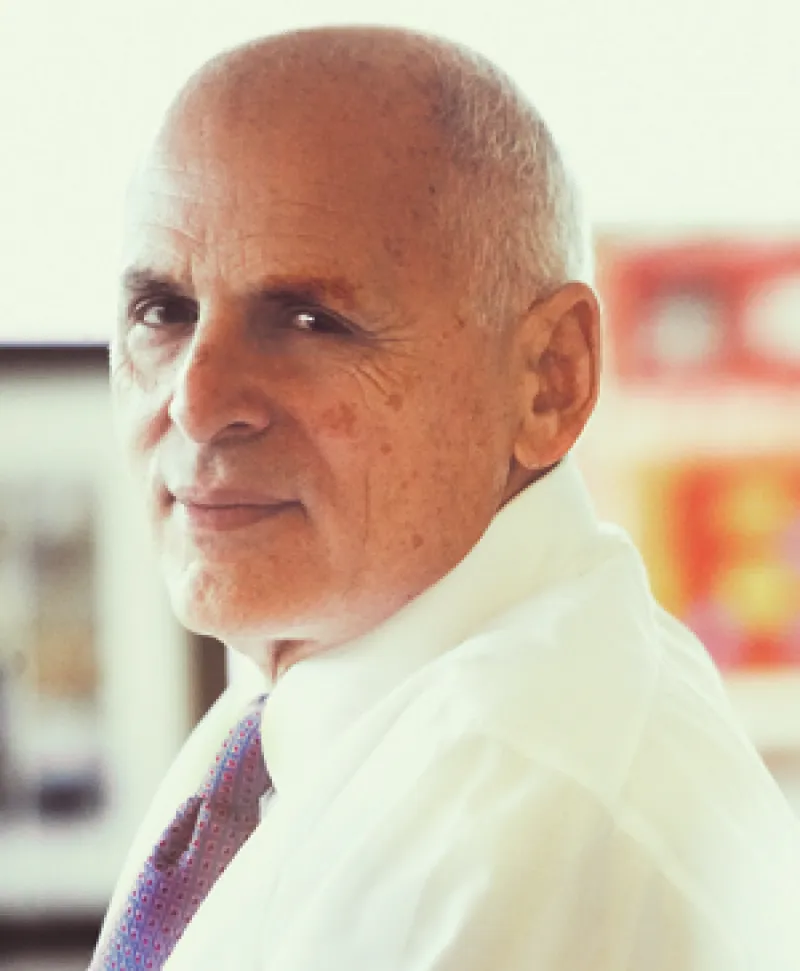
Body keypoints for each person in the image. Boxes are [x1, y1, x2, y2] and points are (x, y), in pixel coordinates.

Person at [92, 24, 800, 971]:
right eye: (162, 311)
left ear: (550, 378)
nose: (196, 399)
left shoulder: (519, 839)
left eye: (309, 319)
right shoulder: (327, 696)